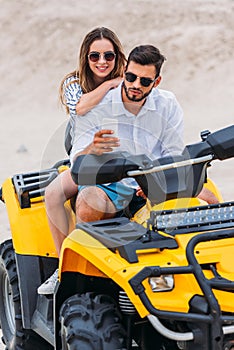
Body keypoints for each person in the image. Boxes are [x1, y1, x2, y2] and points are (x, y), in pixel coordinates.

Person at [37, 27, 126, 295]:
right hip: (84, 160)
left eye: (108, 56)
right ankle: (63, 266)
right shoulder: (73, 84)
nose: (102, 62)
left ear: (116, 56)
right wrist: (111, 84)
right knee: (52, 194)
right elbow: (81, 107)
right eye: (94, 56)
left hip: (119, 161)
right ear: (85, 58)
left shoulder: (128, 83)